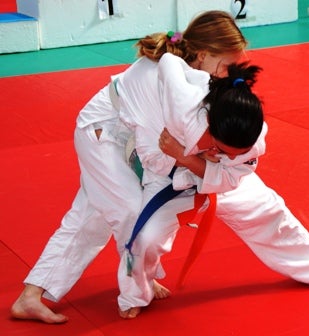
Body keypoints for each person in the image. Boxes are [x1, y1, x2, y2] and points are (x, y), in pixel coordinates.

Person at [10, 10, 249, 324]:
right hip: (101, 134)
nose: (229, 73)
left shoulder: (186, 72)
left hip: (123, 137)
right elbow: (155, 157)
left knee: (90, 218)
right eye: (226, 65)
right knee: (130, 211)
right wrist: (192, 158)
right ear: (203, 54)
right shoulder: (159, 77)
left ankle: (30, 295)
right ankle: (138, 285)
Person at [116, 54, 309, 319]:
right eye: (222, 149)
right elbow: (168, 63)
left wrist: (188, 157)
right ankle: (134, 293)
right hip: (169, 178)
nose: (228, 156)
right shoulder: (181, 111)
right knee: (144, 238)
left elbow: (230, 176)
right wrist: (179, 156)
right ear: (210, 127)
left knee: (270, 214)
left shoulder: (252, 139)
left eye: (234, 153)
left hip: (218, 178)